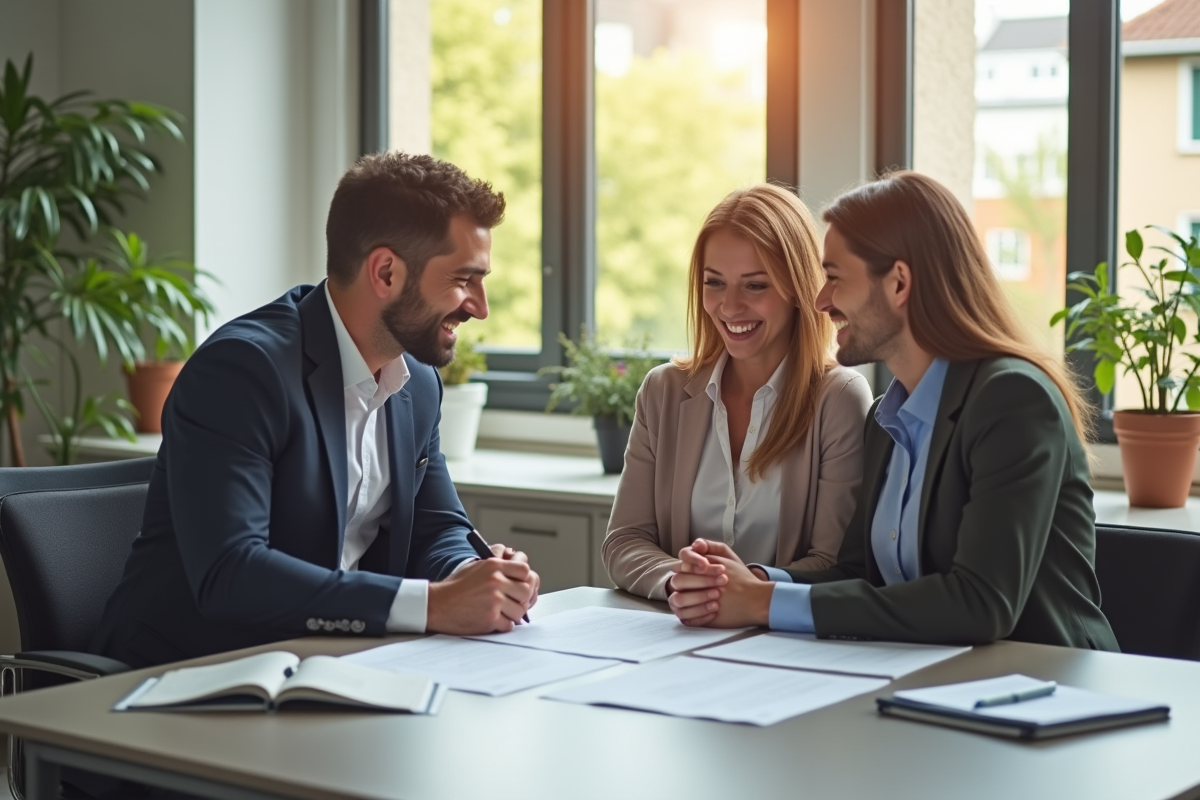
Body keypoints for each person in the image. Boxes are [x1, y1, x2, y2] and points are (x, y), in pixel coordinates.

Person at [92, 153, 541, 668]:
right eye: (464, 279)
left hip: (321, 669)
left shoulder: (417, 383)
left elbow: (436, 529)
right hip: (179, 677)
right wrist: (435, 605)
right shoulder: (243, 370)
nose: (480, 306)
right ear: (387, 272)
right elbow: (231, 574)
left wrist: (471, 574)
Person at [667, 171, 1119, 651]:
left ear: (899, 283)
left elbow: (980, 603)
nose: (820, 301)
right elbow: (864, 577)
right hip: (931, 682)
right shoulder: (888, 418)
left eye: (835, 278)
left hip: (1048, 691)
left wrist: (764, 604)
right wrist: (754, 582)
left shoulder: (1012, 401)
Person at [603, 183, 872, 600]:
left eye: (755, 286)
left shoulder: (839, 398)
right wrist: (679, 579)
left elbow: (834, 562)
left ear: (798, 289)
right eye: (715, 283)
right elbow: (624, 541)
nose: (729, 307)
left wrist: (744, 590)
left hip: (782, 640)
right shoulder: (663, 392)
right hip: (677, 632)